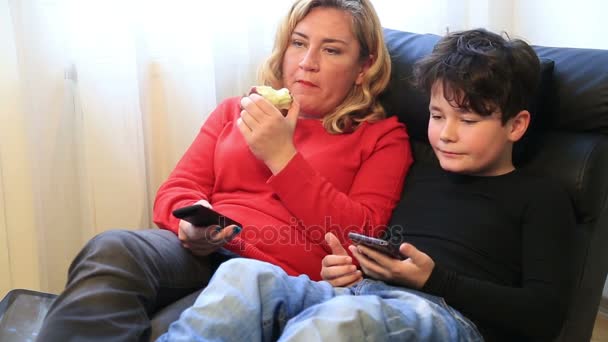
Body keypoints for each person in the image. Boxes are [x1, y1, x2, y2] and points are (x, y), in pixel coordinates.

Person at [155, 29, 575, 342]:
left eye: (467, 121)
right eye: (436, 114)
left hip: (444, 314)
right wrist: (346, 266)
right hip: (359, 294)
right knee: (245, 277)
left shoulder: (541, 197)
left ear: (516, 125)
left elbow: (544, 315)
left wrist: (435, 280)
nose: (446, 133)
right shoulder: (416, 171)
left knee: (338, 326)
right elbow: (369, 235)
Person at [36, 0, 412, 341]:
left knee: (192, 319)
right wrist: (189, 224)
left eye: (331, 50)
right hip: (201, 251)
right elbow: (178, 189)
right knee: (113, 247)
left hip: (271, 276)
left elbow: (359, 235)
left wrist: (282, 157)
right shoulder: (237, 110)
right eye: (298, 43)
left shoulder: (382, 137)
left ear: (363, 68)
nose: (306, 61)